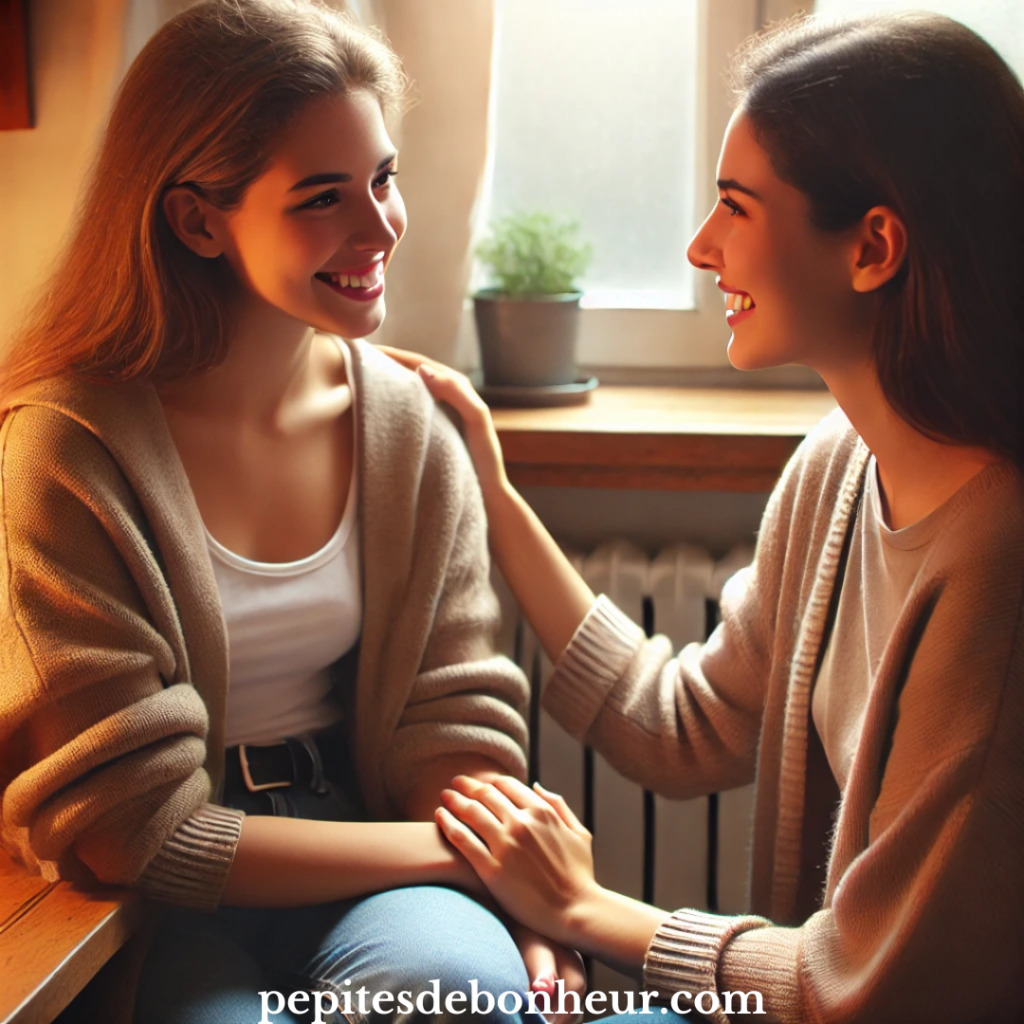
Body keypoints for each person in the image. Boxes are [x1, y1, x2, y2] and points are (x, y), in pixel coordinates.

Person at [386, 11, 1024, 1023]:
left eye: (735, 207)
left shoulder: (996, 561)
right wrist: (495, 496)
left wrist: (584, 908)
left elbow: (872, 985)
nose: (696, 246)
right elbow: (681, 727)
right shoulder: (835, 468)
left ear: (872, 247)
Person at [0, 1, 586, 1021]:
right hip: (155, 908)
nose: (378, 227)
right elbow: (142, 832)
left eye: (383, 179)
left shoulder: (407, 428)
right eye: (323, 197)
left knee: (454, 993)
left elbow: (455, 720)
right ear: (196, 219)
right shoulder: (66, 452)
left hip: (373, 852)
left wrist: (520, 903)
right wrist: (482, 862)